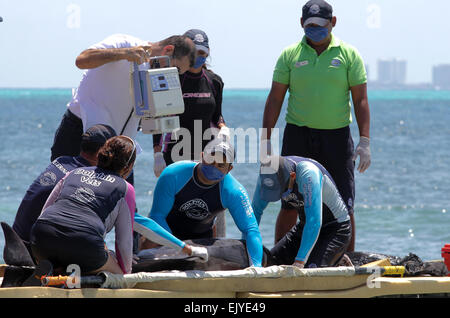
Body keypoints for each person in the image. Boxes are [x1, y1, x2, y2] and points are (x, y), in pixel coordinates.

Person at [260, 0, 370, 251]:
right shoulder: (290, 55)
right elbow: (275, 98)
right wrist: (266, 140)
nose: (315, 30)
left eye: (321, 25)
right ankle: (279, 258)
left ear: (333, 23)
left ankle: (346, 259)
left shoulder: (349, 54)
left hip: (337, 137)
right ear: (301, 24)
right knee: (290, 202)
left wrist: (365, 141)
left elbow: (360, 100)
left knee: (344, 203)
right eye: (309, 25)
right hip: (298, 135)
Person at [30, 136, 207, 275]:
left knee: (77, 250)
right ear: (129, 167)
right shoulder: (124, 188)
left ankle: (55, 268)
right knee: (117, 274)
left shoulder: (73, 173)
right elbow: (124, 241)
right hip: (83, 245)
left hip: (41, 240)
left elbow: (45, 213)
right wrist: (124, 272)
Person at [50, 33, 197, 167]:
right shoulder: (125, 43)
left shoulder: (157, 76)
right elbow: (82, 60)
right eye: (175, 69)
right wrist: (124, 54)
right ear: (168, 50)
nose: (172, 74)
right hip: (80, 133)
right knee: (63, 190)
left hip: (118, 147)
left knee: (119, 194)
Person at [152, 29, 229, 237]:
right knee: (172, 209)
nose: (198, 58)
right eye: (194, 53)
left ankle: (214, 252)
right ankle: (168, 249)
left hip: (207, 156)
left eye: (203, 54)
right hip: (174, 154)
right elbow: (159, 117)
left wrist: (223, 129)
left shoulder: (214, 81)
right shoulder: (172, 78)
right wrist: (157, 153)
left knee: (209, 209)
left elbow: (217, 116)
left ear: (208, 53)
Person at [146, 138, 264, 267]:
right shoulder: (173, 174)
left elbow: (251, 229)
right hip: (165, 232)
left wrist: (256, 267)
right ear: (202, 156)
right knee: (148, 238)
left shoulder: (233, 191)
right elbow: (157, 216)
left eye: (221, 165)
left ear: (229, 169)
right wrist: (178, 246)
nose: (214, 167)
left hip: (202, 239)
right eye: (210, 160)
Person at [13, 124, 117, 246]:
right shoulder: (86, 178)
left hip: (15, 241)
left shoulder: (61, 161)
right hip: (33, 249)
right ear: (101, 152)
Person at [252, 155, 352, 268]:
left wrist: (299, 261)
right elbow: (254, 213)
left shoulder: (308, 174)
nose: (279, 195)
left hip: (335, 229)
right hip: (305, 227)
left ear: (293, 176)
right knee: (270, 264)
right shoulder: (266, 176)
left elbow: (314, 222)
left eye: (281, 190)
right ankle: (331, 258)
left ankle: (336, 259)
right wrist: (249, 248)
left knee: (310, 270)